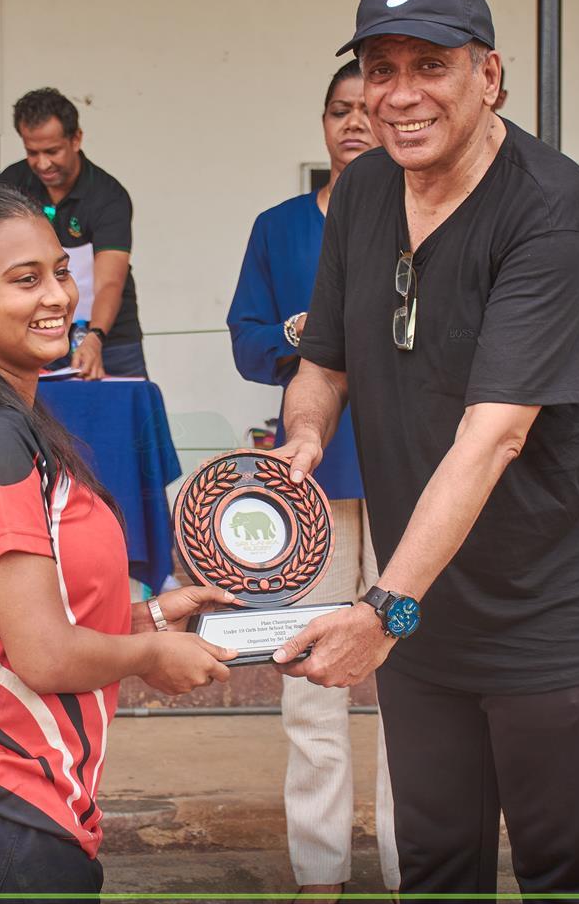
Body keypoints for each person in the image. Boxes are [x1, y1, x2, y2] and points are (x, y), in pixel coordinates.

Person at [269, 0, 579, 897]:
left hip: (551, 611)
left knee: (568, 875)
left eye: (430, 65)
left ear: (491, 76)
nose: (399, 95)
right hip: (423, 607)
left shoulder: (550, 214)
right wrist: (301, 450)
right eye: (379, 66)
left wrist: (383, 608)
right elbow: (324, 357)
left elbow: (494, 437)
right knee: (437, 868)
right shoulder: (362, 194)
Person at [0, 185, 237, 896]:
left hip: (1, 805)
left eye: (61, 271)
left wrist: (151, 618)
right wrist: (153, 653)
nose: (58, 296)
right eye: (24, 280)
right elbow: (43, 653)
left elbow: (3, 625)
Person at [226, 59, 398, 900]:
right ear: (323, 124)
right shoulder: (280, 225)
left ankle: (417, 872)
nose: (356, 125)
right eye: (340, 111)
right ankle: (318, 877)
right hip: (311, 483)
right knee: (311, 686)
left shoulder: (425, 213)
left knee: (412, 687)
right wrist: (306, 338)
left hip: (415, 482)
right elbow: (249, 340)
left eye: (370, 110)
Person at [0, 88, 145, 379]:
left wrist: (95, 337)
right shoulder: (10, 185)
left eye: (52, 151)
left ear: (75, 139)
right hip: (34, 331)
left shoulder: (109, 196)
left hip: (109, 338)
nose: (42, 164)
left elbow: (109, 283)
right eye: (32, 152)